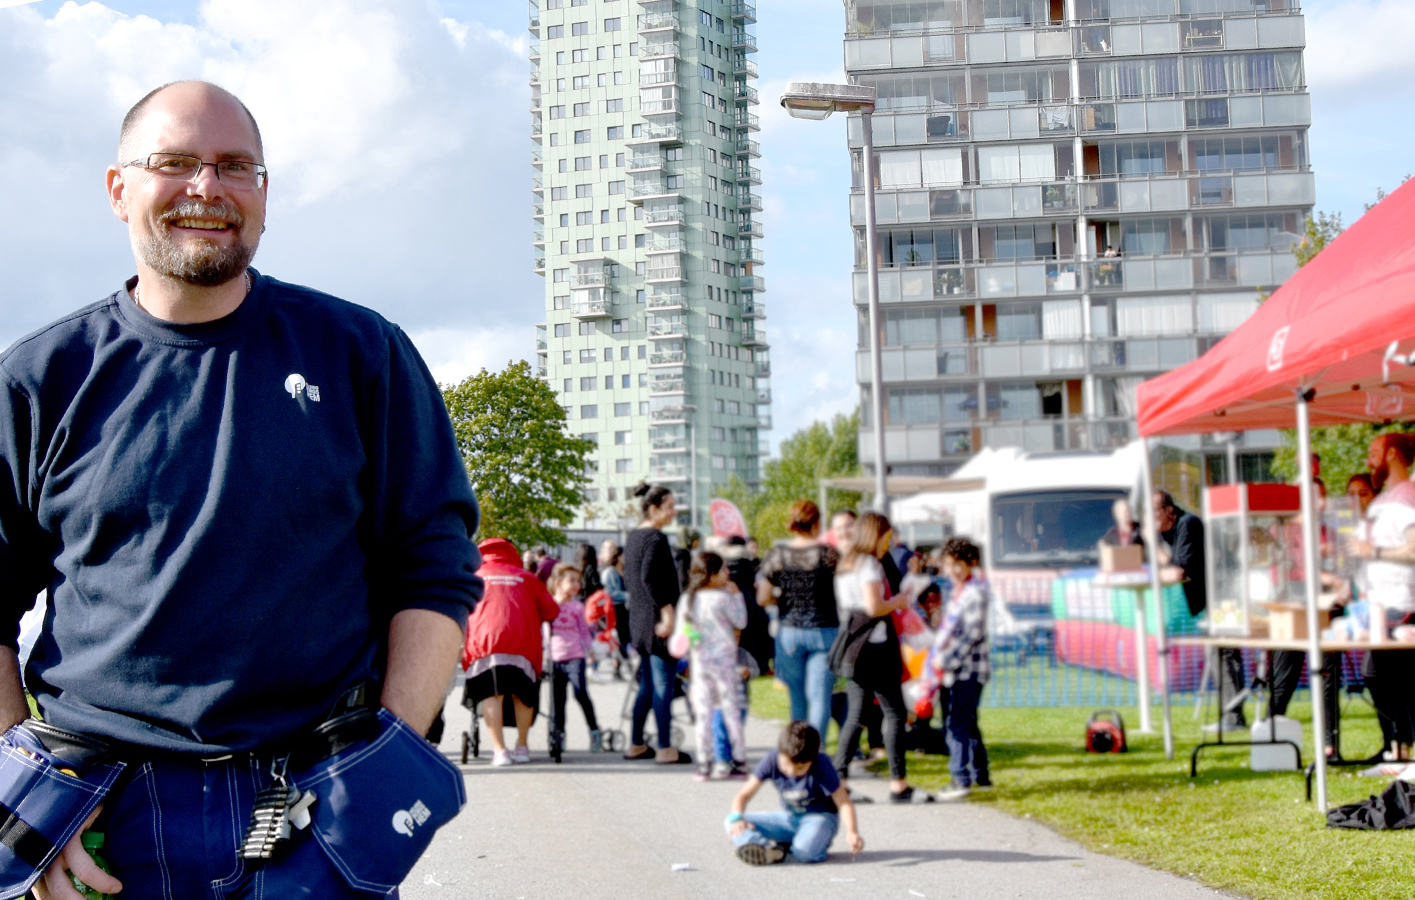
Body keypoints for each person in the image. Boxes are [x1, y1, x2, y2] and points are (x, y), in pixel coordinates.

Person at [0, 81, 482, 900]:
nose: (206, 188)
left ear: (264, 195)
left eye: (235, 167)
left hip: (317, 801)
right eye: (175, 163)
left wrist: (388, 757)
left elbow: (433, 568)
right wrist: (26, 802)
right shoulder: (42, 379)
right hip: (105, 818)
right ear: (119, 190)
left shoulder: (361, 353)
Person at [832, 512, 929, 803]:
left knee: (856, 716)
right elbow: (874, 606)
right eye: (886, 538)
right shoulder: (870, 564)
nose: (887, 544)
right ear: (876, 535)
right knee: (895, 714)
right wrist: (898, 601)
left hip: (853, 647)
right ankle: (899, 784)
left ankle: (839, 781)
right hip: (875, 648)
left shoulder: (846, 563)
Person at [1347, 433, 1415, 760]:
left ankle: (1402, 748)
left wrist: (1372, 549)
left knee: (1398, 678)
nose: (1368, 461)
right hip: (1377, 605)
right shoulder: (1383, 501)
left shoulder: (1407, 497)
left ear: (1390, 454)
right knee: (1377, 673)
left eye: (1372, 453)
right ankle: (1396, 747)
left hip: (1404, 607)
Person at [1154, 490, 1245, 732]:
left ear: (1169, 511)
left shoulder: (1188, 524)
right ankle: (1231, 715)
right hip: (1209, 600)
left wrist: (1157, 565)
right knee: (1217, 654)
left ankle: (1234, 718)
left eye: (1153, 511)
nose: (1149, 517)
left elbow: (1179, 570)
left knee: (1223, 652)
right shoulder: (1161, 533)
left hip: (1225, 594)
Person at [464, 539, 560, 766]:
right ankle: (522, 746)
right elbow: (551, 610)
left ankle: (500, 751)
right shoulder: (527, 578)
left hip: (484, 643)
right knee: (523, 695)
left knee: (491, 695)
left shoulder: (474, 576)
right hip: (522, 643)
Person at [757, 500, 840, 742]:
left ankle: (798, 751)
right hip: (824, 630)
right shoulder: (830, 554)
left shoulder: (778, 555)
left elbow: (763, 597)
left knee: (798, 699)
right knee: (820, 698)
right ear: (816, 524)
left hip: (790, 632)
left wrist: (780, 600)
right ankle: (816, 755)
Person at [725, 721, 863, 866]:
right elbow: (743, 795)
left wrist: (852, 832)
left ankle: (807, 844)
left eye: (800, 767)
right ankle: (767, 850)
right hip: (789, 819)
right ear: (780, 752)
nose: (791, 771)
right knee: (731, 821)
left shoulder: (822, 763)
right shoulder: (772, 760)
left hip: (820, 818)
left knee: (804, 852)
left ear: (813, 758)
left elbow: (844, 801)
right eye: (786, 764)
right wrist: (738, 818)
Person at [624, 483, 691, 764]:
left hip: (638, 622)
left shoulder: (633, 537)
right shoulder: (656, 539)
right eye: (670, 507)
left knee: (648, 686)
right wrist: (667, 612)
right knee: (663, 685)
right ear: (654, 509)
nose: (674, 512)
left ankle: (636, 743)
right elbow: (649, 577)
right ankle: (665, 748)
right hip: (656, 621)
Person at [929, 538, 993, 800]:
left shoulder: (975, 592)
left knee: (956, 724)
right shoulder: (957, 591)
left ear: (971, 564)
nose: (953, 569)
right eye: (948, 564)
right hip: (956, 669)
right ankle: (981, 774)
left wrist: (945, 661)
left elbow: (972, 634)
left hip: (967, 669)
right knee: (968, 723)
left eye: (958, 564)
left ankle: (959, 778)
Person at [682, 552, 749, 781]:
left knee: (703, 716)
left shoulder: (689, 599)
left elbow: (684, 630)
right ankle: (738, 762)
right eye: (722, 569)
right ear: (711, 575)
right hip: (725, 662)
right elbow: (741, 622)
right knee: (730, 712)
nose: (727, 573)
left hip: (700, 663)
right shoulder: (724, 598)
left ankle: (704, 764)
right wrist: (737, 596)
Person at [545, 564, 601, 756]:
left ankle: (594, 731)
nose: (577, 584)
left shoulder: (577, 607)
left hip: (575, 656)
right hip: (555, 658)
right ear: (559, 583)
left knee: (580, 693)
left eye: (578, 581)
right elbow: (543, 630)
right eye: (572, 580)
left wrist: (590, 650)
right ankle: (559, 736)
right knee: (558, 701)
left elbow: (584, 631)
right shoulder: (550, 605)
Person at [598, 540, 631, 679]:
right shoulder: (610, 572)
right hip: (614, 609)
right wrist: (629, 596)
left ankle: (622, 666)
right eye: (624, 556)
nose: (626, 559)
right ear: (618, 556)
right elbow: (610, 593)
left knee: (625, 638)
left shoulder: (625, 571)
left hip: (624, 609)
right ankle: (618, 668)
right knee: (618, 639)